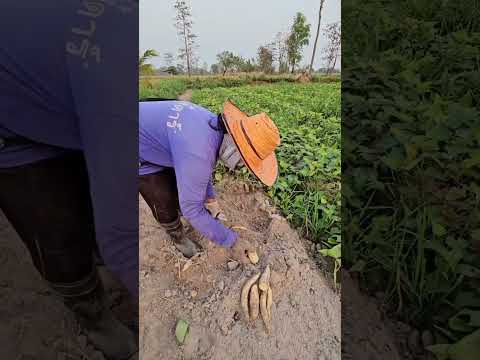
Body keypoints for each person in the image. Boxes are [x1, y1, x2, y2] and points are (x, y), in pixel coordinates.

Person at [0, 1, 139, 359]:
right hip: (11, 127)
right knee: (54, 229)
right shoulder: (109, 80)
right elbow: (120, 236)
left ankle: (95, 250)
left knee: (90, 194)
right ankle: (93, 316)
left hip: (61, 88)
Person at [139, 98, 281, 260]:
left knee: (182, 184)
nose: (242, 168)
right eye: (244, 163)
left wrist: (210, 198)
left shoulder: (212, 127)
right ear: (233, 151)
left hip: (152, 130)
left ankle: (181, 205)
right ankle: (178, 237)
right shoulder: (197, 153)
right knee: (161, 196)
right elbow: (192, 208)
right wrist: (232, 241)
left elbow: (201, 168)